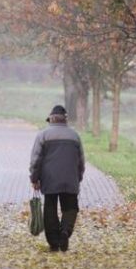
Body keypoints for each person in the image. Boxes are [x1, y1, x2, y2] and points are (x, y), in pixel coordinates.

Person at [29, 105, 85, 252]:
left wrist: (34, 178)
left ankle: (54, 242)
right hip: (70, 179)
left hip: (50, 179)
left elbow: (36, 160)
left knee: (50, 209)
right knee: (70, 208)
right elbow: (81, 161)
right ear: (65, 120)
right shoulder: (75, 136)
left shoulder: (43, 135)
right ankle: (65, 232)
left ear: (52, 119)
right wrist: (78, 178)